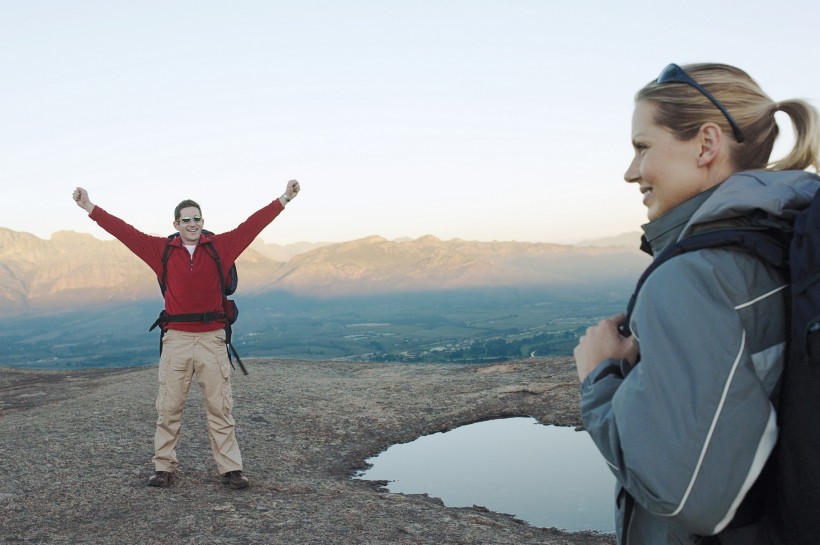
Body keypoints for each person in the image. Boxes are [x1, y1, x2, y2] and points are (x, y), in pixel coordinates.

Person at [573, 63, 820, 544]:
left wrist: (599, 378)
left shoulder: (694, 276)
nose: (630, 173)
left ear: (706, 145)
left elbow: (685, 498)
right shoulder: (788, 237)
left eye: (642, 147)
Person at [72, 180, 301, 489]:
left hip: (212, 339)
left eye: (197, 219)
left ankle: (231, 469)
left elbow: (253, 225)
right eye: (186, 220)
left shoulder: (221, 247)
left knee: (220, 407)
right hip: (177, 338)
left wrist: (284, 198)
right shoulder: (161, 251)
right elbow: (124, 232)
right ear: (176, 224)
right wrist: (89, 206)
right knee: (168, 407)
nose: (192, 224)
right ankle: (163, 467)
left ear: (202, 222)